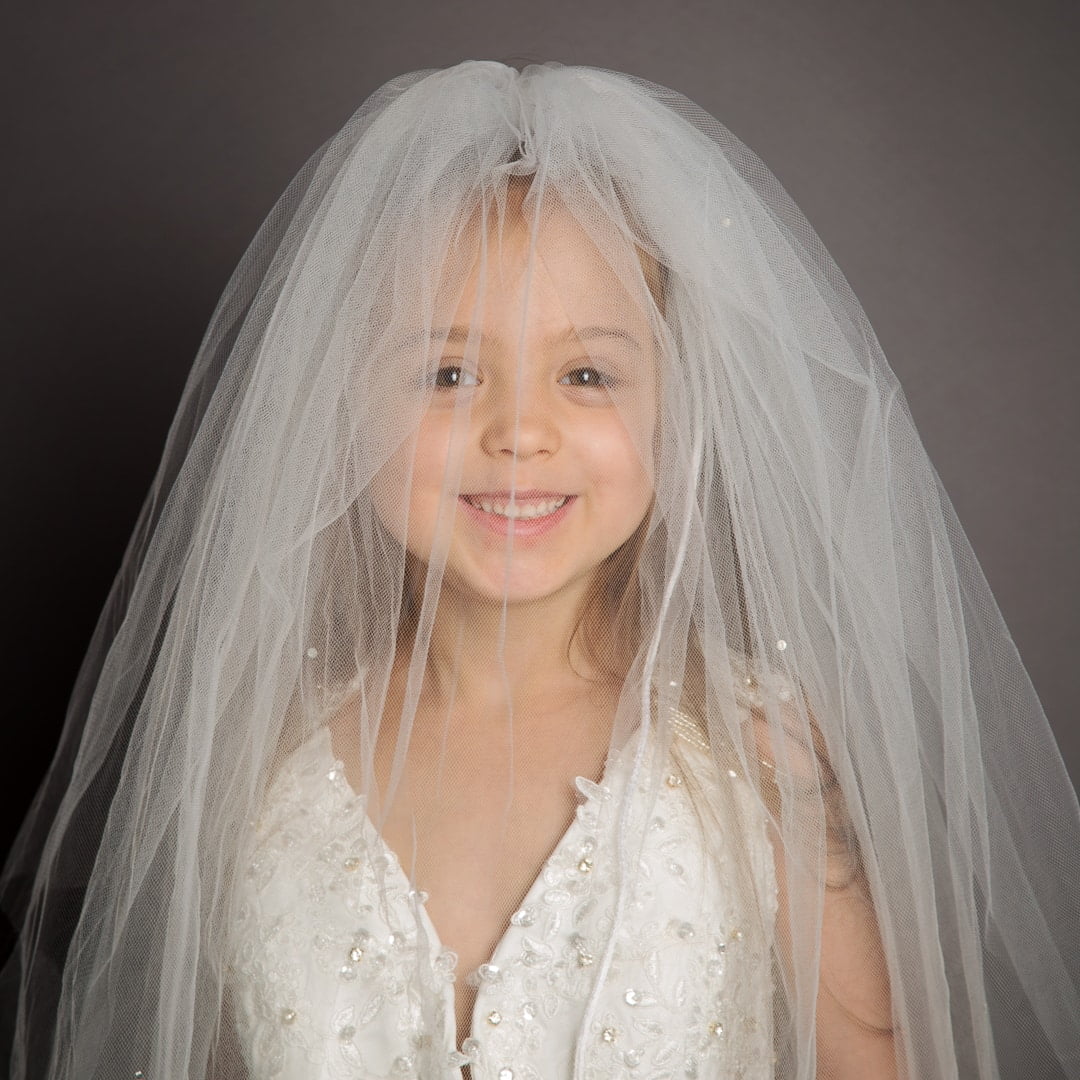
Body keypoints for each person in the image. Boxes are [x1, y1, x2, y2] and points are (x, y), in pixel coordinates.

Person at [1, 59, 1077, 1080]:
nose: (521, 430)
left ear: (680, 413)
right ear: (342, 408)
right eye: (451, 370)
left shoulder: (756, 754)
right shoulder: (258, 772)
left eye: (587, 373)